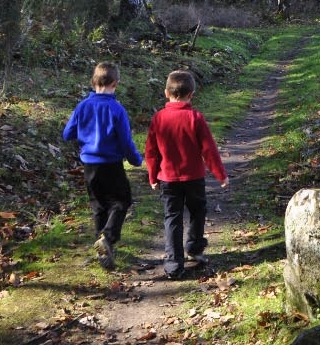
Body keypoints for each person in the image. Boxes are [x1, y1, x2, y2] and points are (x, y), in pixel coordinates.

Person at [145, 70, 229, 279]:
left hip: (167, 179)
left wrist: (152, 176)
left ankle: (174, 265)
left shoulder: (159, 118)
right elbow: (209, 149)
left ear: (166, 93)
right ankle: (195, 248)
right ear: (191, 94)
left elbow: (151, 151)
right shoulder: (195, 118)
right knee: (197, 212)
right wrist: (220, 174)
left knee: (172, 218)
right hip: (194, 178)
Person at [63, 62, 143, 270]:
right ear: (116, 83)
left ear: (93, 82)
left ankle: (103, 249)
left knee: (98, 205)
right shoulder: (117, 109)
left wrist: (84, 134)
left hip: (89, 165)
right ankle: (107, 238)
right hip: (111, 164)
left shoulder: (82, 106)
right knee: (121, 201)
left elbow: (67, 134)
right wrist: (136, 159)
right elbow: (126, 141)